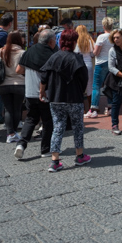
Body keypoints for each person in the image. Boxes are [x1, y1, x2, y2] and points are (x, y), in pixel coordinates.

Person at [39, 29, 91, 172]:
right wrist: (82, 92)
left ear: (60, 41)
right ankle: (79, 156)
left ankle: (55, 161)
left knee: (58, 127)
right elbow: (84, 79)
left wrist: (42, 91)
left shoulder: (54, 57)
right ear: (74, 42)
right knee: (78, 127)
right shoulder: (77, 59)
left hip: (56, 98)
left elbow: (44, 76)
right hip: (74, 98)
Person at [14, 29, 56, 159]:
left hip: (30, 92)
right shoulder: (52, 53)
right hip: (46, 93)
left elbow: (18, 70)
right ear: (50, 41)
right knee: (48, 121)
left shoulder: (30, 51)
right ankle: (45, 150)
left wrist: (31, 73)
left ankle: (21, 145)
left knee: (31, 119)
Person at [0, 31, 26, 144]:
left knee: (8, 109)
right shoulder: (22, 53)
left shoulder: (1, 51)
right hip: (19, 83)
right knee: (17, 109)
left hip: (4, 84)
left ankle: (10, 133)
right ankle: (15, 132)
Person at [88, 17, 115, 118]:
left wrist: (92, 52)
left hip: (101, 63)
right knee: (109, 86)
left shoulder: (101, 37)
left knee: (96, 86)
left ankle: (94, 108)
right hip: (111, 63)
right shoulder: (114, 36)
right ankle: (110, 107)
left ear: (103, 26)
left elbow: (96, 52)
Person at [75, 25, 95, 113]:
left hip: (79, 65)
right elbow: (93, 54)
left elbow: (75, 53)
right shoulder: (90, 40)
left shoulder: (76, 41)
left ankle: (82, 108)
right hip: (89, 64)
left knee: (79, 87)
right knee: (89, 86)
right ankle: (91, 107)